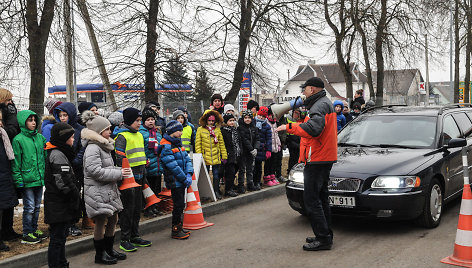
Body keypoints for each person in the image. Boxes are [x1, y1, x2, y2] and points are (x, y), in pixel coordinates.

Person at [277, 77, 338, 251]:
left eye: (305, 89)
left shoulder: (318, 106)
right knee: (321, 197)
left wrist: (289, 127)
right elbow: (313, 125)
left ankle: (323, 239)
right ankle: (325, 234)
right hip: (323, 156)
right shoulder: (324, 103)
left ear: (312, 89)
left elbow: (314, 129)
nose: (303, 92)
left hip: (318, 158)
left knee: (311, 200)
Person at [81, 111, 127, 264]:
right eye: (107, 129)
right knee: (101, 221)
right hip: (97, 192)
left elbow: (107, 167)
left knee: (113, 218)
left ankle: (109, 249)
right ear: (98, 132)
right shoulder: (93, 148)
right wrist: (119, 173)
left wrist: (119, 171)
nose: (110, 131)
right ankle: (100, 254)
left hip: (107, 190)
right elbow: (95, 171)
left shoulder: (103, 146)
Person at [44, 122, 82, 268]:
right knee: (57, 238)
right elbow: (63, 182)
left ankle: (61, 263)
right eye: (71, 137)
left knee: (61, 236)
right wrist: (74, 196)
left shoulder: (60, 152)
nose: (73, 140)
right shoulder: (57, 155)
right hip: (58, 203)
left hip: (59, 203)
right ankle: (56, 264)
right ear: (63, 138)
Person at [114, 107, 152, 252]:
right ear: (129, 121)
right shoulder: (122, 136)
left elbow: (140, 153)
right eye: (137, 121)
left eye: (140, 120)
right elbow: (120, 157)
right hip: (128, 179)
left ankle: (135, 236)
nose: (139, 123)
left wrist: (145, 162)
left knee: (137, 209)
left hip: (141, 176)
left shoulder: (139, 135)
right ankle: (125, 239)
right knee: (128, 210)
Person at [11, 110, 48, 244]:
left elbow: (44, 157)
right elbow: (16, 162)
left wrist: (45, 175)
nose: (33, 123)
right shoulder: (18, 140)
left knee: (37, 206)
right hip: (27, 180)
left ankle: (34, 229)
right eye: (30, 120)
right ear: (23, 122)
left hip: (38, 178)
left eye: (34, 120)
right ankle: (27, 233)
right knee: (30, 207)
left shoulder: (40, 138)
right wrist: (18, 179)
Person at [54, 102, 88, 234]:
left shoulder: (79, 129)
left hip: (75, 168)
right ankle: (65, 223)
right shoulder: (57, 128)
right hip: (62, 167)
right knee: (64, 196)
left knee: (75, 195)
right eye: (60, 115)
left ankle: (73, 223)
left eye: (65, 115)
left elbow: (82, 148)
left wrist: (75, 162)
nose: (62, 118)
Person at [159, 120, 193, 239]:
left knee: (180, 204)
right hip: (175, 180)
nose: (181, 133)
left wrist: (189, 173)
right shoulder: (166, 146)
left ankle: (179, 226)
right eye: (179, 130)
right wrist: (184, 178)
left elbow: (187, 159)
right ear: (173, 131)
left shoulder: (178, 144)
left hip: (181, 180)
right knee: (178, 205)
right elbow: (172, 166)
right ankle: (175, 229)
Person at [0, 88, 21, 242]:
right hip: (3, 164)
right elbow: (12, 130)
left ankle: (8, 230)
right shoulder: (6, 112)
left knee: (8, 201)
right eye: (8, 100)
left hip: (7, 163)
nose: (10, 103)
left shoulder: (9, 111)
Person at [195, 110, 227, 200]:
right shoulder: (200, 130)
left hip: (216, 157)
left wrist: (224, 156)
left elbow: (221, 143)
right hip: (205, 157)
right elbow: (198, 144)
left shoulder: (217, 130)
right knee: (205, 176)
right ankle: (206, 192)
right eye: (209, 121)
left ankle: (216, 191)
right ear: (206, 120)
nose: (211, 122)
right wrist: (199, 156)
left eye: (213, 121)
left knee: (216, 175)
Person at [139, 108, 162, 217]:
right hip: (148, 165)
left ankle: (155, 207)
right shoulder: (141, 133)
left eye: (152, 119)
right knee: (148, 189)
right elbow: (141, 148)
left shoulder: (157, 133)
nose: (151, 121)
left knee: (157, 188)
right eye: (148, 119)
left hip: (157, 165)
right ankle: (148, 208)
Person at [237, 110, 259, 193]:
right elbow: (244, 139)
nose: (247, 119)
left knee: (250, 169)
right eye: (245, 118)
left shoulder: (254, 128)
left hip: (251, 152)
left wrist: (256, 148)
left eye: (249, 118)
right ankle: (241, 185)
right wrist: (251, 149)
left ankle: (250, 184)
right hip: (243, 151)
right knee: (242, 169)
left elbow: (257, 138)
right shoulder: (240, 128)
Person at [221, 113, 241, 197]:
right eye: (230, 121)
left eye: (233, 120)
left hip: (236, 154)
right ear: (226, 121)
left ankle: (231, 186)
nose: (232, 122)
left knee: (234, 172)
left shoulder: (235, 130)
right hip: (229, 155)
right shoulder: (224, 131)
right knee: (230, 172)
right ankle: (228, 190)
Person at [253, 106, 272, 190]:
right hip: (253, 148)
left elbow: (269, 139)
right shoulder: (252, 123)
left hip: (261, 149)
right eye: (260, 115)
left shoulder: (267, 126)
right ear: (258, 114)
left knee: (259, 167)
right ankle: (253, 182)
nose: (261, 118)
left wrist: (268, 150)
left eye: (263, 116)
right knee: (253, 167)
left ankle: (257, 181)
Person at [263, 110, 281, 186]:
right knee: (268, 163)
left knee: (274, 163)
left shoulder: (275, 123)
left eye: (272, 115)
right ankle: (267, 179)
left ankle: (272, 177)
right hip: (269, 147)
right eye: (270, 115)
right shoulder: (266, 122)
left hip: (275, 147)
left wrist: (279, 144)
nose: (271, 116)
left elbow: (276, 135)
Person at [285, 109, 303, 176]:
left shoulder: (298, 120)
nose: (297, 115)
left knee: (297, 157)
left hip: (298, 139)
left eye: (298, 113)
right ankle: (290, 171)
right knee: (293, 157)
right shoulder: (287, 119)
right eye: (296, 113)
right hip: (291, 140)